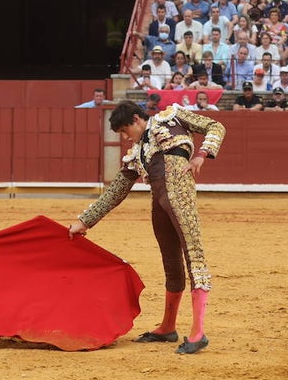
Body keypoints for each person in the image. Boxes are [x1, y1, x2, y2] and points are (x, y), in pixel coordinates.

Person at [68, 100, 225, 354]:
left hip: (180, 197)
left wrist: (201, 155)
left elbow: (215, 126)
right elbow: (116, 190)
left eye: (124, 131)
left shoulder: (172, 118)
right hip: (159, 205)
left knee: (194, 257)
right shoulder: (137, 152)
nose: (125, 138)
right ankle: (168, 327)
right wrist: (84, 221)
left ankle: (198, 333)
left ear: (136, 119)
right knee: (171, 264)